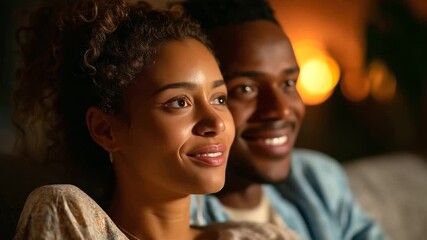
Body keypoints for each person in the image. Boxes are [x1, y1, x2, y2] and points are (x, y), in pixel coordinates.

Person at [12, 0, 299, 239]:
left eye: (219, 99)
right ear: (106, 130)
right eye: (179, 102)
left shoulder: (268, 236)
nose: (217, 123)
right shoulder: (69, 213)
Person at [182, 0, 388, 239]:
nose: (281, 110)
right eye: (245, 89)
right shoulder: (178, 218)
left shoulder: (317, 179)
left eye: (288, 83)